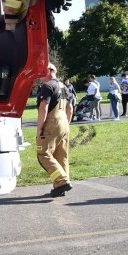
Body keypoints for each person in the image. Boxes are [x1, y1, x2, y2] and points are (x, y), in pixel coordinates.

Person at [35, 64, 74, 197]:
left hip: (52, 123)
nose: (38, 75)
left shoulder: (47, 86)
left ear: (49, 71)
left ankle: (62, 181)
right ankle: (61, 186)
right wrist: (67, 124)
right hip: (64, 122)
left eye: (40, 71)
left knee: (43, 153)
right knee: (61, 156)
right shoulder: (64, 86)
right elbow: (70, 108)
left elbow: (43, 108)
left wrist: (40, 128)